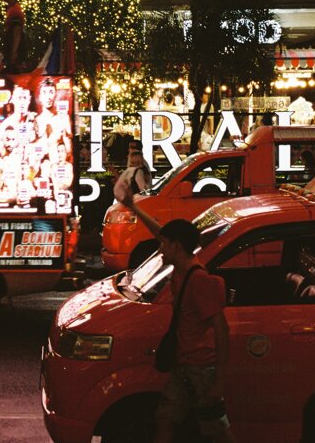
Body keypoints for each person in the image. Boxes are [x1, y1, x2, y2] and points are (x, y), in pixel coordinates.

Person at [120, 185, 233, 443]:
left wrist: (218, 381)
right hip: (184, 366)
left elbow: (221, 329)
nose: (160, 249)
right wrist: (134, 207)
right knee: (165, 420)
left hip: (201, 369)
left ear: (177, 247)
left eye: (164, 245)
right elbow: (161, 233)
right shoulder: (182, 269)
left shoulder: (199, 280)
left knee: (217, 431)